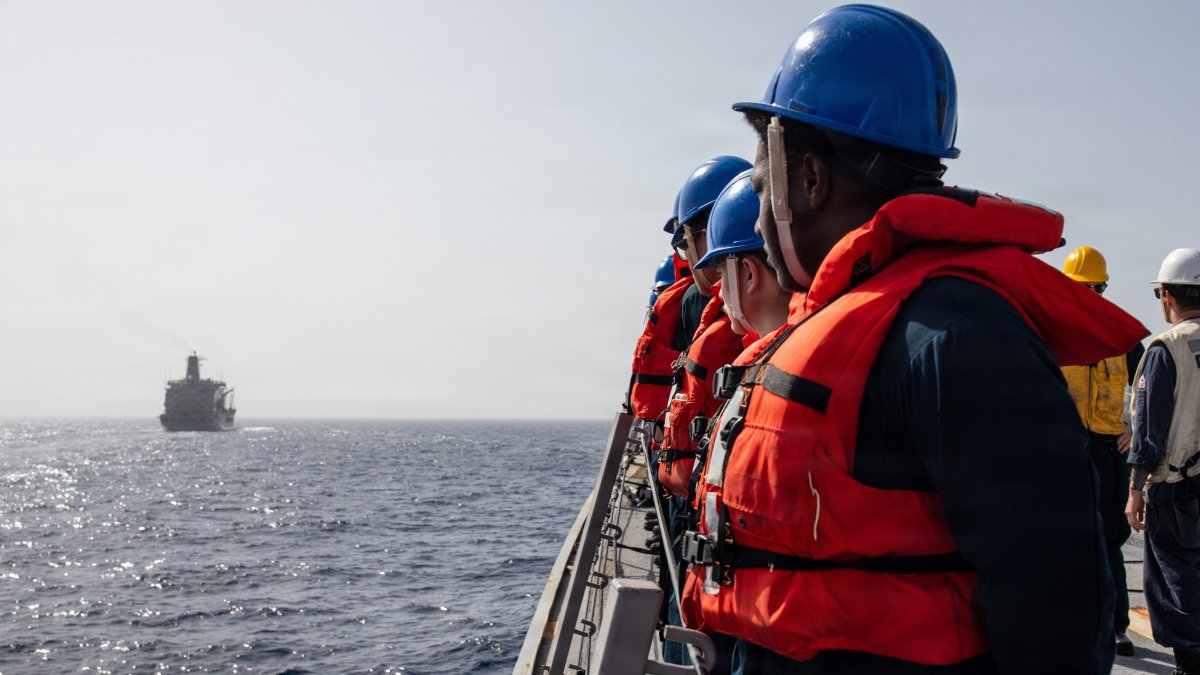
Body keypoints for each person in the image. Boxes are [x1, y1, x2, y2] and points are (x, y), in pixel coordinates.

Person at [678, 6, 1148, 674]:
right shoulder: (879, 316)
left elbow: (1056, 603)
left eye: (762, 184)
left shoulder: (951, 332)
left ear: (809, 180)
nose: (757, 214)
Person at [1060, 246, 1145, 657]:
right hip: (1066, 450)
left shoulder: (1125, 337)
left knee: (1111, 539)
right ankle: (1068, 623)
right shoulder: (1051, 333)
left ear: (1104, 288)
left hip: (1110, 451)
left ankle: (1116, 627)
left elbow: (1151, 390)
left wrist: (1135, 428)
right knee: (1063, 537)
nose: (1089, 295)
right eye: (1083, 288)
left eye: (1095, 288)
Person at [1126, 247, 1200, 675]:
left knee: (1174, 581)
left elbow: (1149, 432)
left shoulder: (1165, 350)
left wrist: (1135, 489)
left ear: (1167, 295)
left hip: (1174, 488)